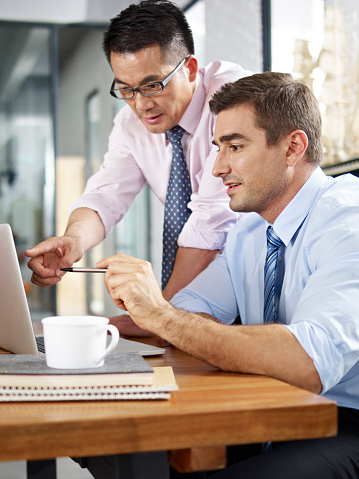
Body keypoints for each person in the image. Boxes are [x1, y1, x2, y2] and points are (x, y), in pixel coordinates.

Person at [97, 72, 359, 478]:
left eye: (234, 147)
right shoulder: (250, 231)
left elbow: (307, 362)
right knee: (126, 449)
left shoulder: (348, 221)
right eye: (218, 148)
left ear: (293, 147)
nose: (218, 168)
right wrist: (171, 318)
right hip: (272, 407)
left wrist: (162, 315)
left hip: (345, 420)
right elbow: (190, 307)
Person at [25, 0, 250, 335]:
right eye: (126, 89)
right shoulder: (130, 123)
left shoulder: (233, 99)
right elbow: (106, 194)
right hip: (198, 299)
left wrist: (157, 315)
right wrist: (73, 240)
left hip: (252, 279)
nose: (142, 104)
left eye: (152, 84)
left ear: (189, 69)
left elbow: (210, 225)